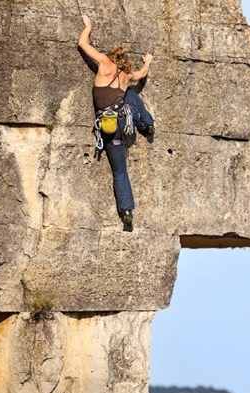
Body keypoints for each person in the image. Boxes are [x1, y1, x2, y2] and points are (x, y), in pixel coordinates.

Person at [78, 15, 154, 231]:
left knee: (119, 171)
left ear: (112, 56)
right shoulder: (126, 75)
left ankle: (126, 211)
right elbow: (141, 74)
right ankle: (147, 124)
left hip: (108, 126)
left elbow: (82, 44)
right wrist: (147, 63)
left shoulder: (104, 63)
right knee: (129, 95)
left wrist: (88, 27)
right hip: (124, 121)